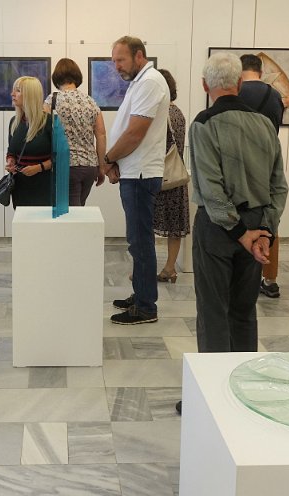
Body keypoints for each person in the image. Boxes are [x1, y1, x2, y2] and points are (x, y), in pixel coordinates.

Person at [187, 51, 288, 411]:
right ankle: (244, 392)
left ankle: (213, 397)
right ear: (241, 84)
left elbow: (211, 188)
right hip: (256, 226)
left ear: (205, 85)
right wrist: (264, 231)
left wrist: (240, 232)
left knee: (214, 311)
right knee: (244, 311)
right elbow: (279, 186)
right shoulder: (264, 124)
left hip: (219, 230)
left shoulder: (203, 124)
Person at [104, 36, 170, 325]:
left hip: (141, 174)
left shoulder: (150, 82)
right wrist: (115, 161)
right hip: (134, 171)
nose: (116, 66)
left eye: (121, 60)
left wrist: (108, 159)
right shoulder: (139, 82)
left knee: (140, 242)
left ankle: (146, 307)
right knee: (137, 241)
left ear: (139, 56)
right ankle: (141, 293)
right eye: (114, 61)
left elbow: (134, 133)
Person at [239, 54, 285, 298]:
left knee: (241, 219)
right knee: (269, 220)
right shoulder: (275, 95)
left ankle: (244, 275)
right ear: (261, 70)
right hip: (268, 162)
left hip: (241, 165)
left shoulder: (236, 93)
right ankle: (270, 278)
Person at [45, 58, 107, 206]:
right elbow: (101, 135)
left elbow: (43, 132)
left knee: (70, 213)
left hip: (66, 166)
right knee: (78, 208)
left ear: (56, 76)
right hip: (90, 166)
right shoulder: (90, 101)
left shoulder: (53, 100)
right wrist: (101, 167)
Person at [153, 68, 189, 283]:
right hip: (175, 176)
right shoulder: (178, 113)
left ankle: (144, 269)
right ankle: (169, 268)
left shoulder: (160, 115)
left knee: (145, 225)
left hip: (159, 176)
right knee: (174, 225)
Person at [6, 76, 54, 207]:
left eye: (18, 90)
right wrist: (10, 161)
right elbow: (11, 151)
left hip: (43, 186)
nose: (12, 94)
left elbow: (60, 157)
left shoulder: (49, 122)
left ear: (30, 95)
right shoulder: (14, 122)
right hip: (20, 186)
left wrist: (38, 168)